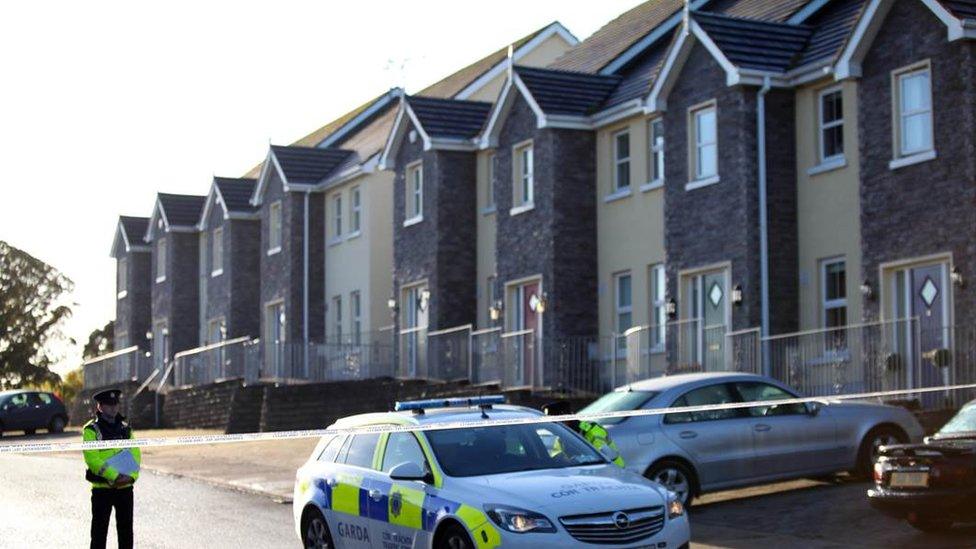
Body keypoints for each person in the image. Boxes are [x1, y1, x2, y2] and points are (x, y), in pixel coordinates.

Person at [83, 388, 141, 549]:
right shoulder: (91, 430)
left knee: (126, 532)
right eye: (109, 405)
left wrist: (132, 477)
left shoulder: (125, 428)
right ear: (100, 407)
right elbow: (92, 459)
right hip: (103, 489)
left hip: (125, 487)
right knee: (99, 534)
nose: (113, 408)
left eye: (115, 404)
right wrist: (114, 476)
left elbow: (136, 453)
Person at [542, 400, 625, 468]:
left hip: (615, 472)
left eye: (556, 422)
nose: (554, 427)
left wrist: (575, 460)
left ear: (566, 418)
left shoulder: (592, 430)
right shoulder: (561, 438)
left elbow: (601, 458)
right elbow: (557, 457)